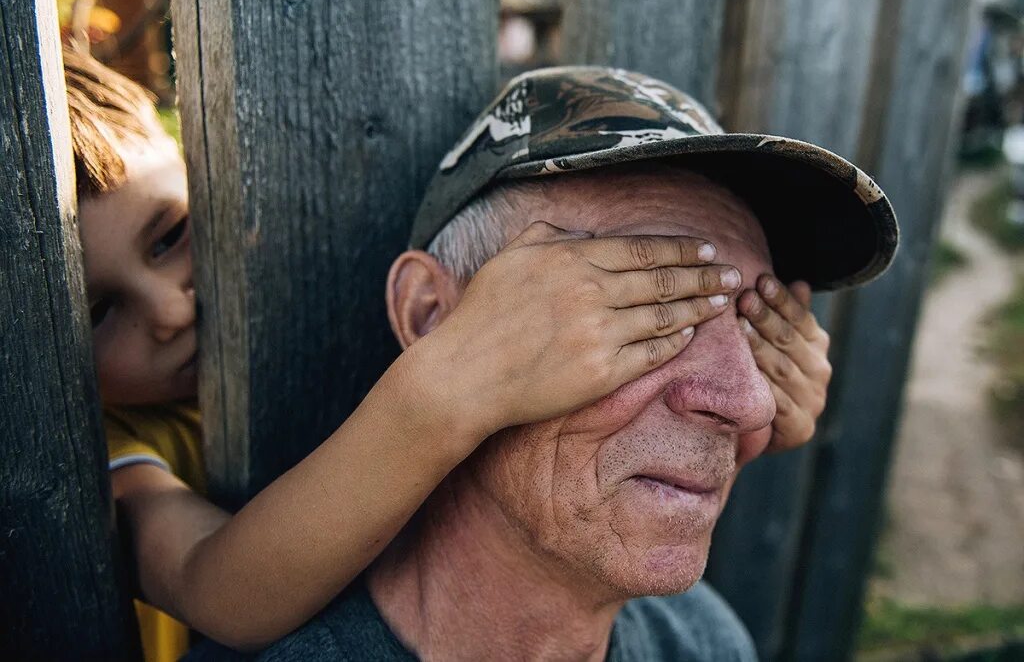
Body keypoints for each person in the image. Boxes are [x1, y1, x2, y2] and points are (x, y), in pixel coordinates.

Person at [64, 51, 832, 662]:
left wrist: (725, 439)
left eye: (755, 323)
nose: (171, 308)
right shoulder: (106, 453)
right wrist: (448, 385)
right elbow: (219, 590)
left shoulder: (707, 643)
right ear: (431, 317)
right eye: (639, 309)